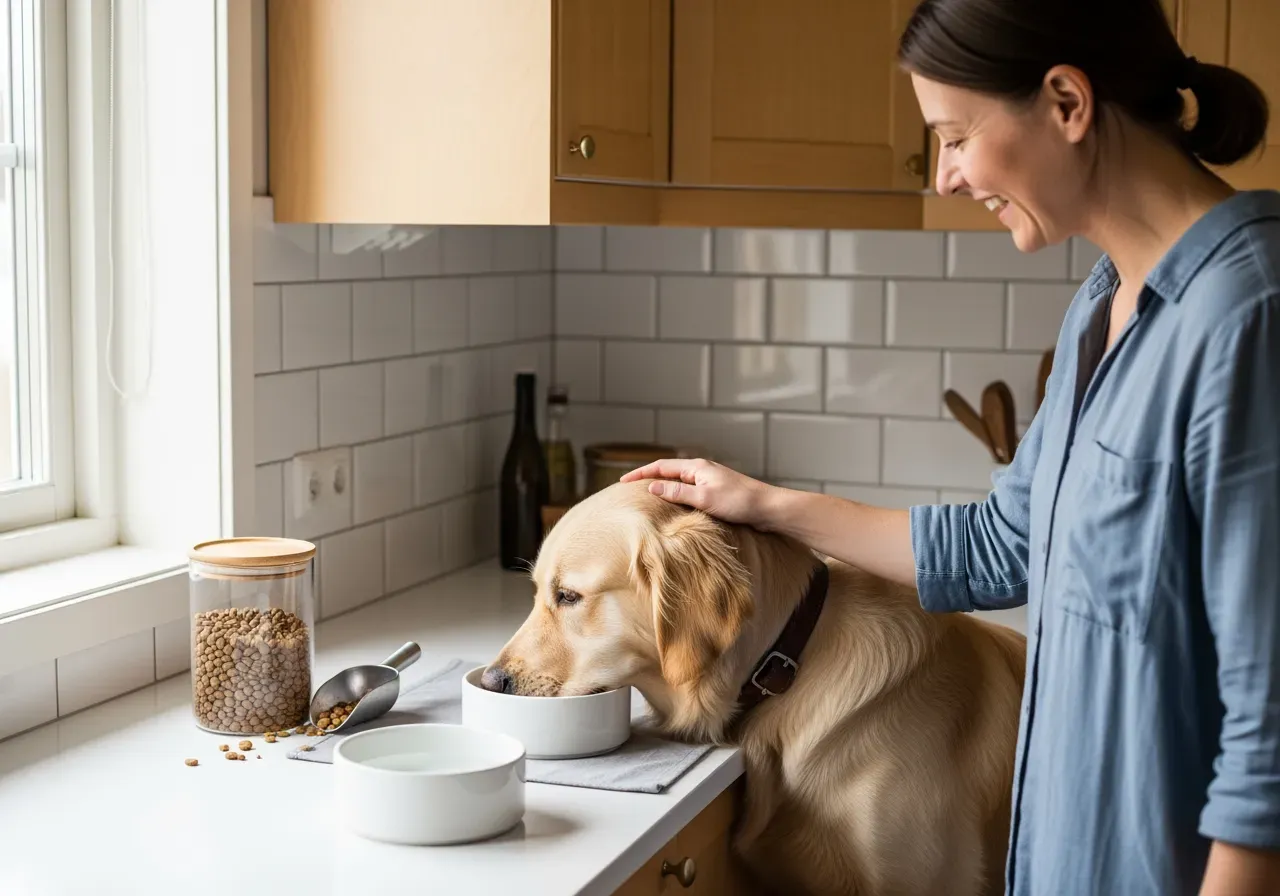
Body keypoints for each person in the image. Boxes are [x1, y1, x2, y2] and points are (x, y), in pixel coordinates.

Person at [621, 1, 1280, 894]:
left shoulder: (1250, 318)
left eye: (955, 136)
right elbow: (1002, 547)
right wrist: (764, 506)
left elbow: (1268, 729)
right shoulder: (1104, 302)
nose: (946, 178)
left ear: (1066, 102)